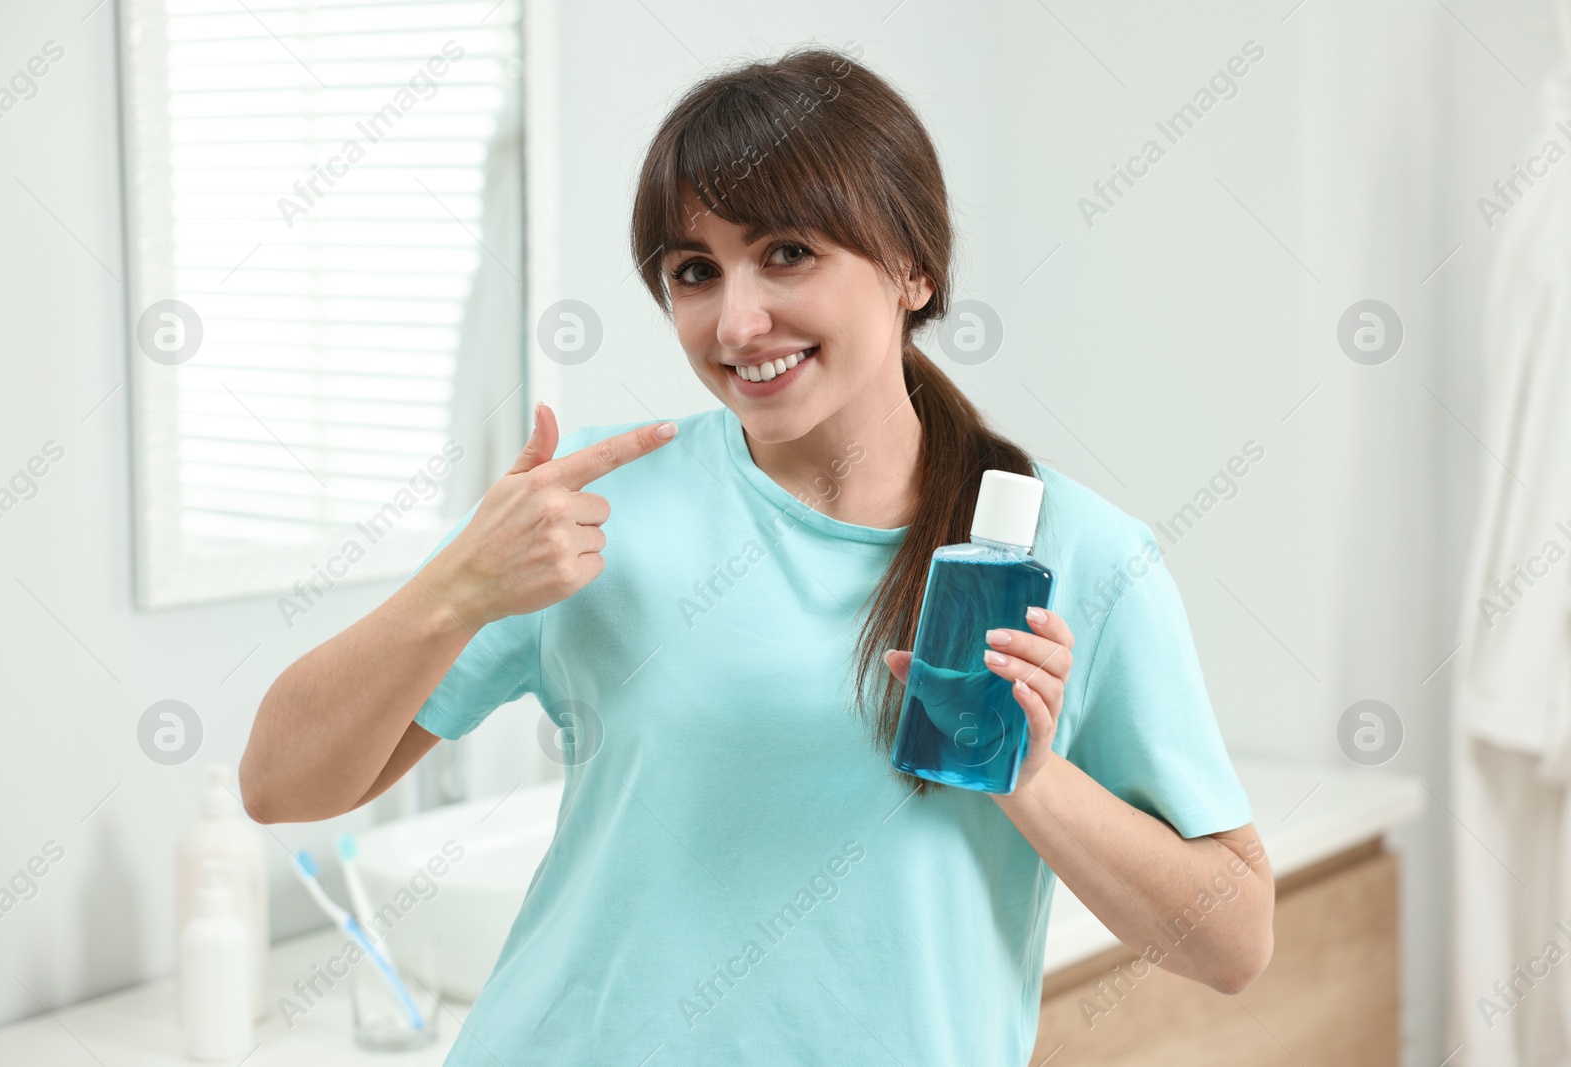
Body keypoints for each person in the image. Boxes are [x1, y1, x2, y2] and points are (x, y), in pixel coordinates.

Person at [240, 44, 1275, 1065]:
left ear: (913, 265)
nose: (737, 321)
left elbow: (1234, 941)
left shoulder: (1073, 553)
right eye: (695, 272)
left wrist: (1026, 772)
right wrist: (456, 587)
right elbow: (279, 782)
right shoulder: (600, 514)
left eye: (787, 252)